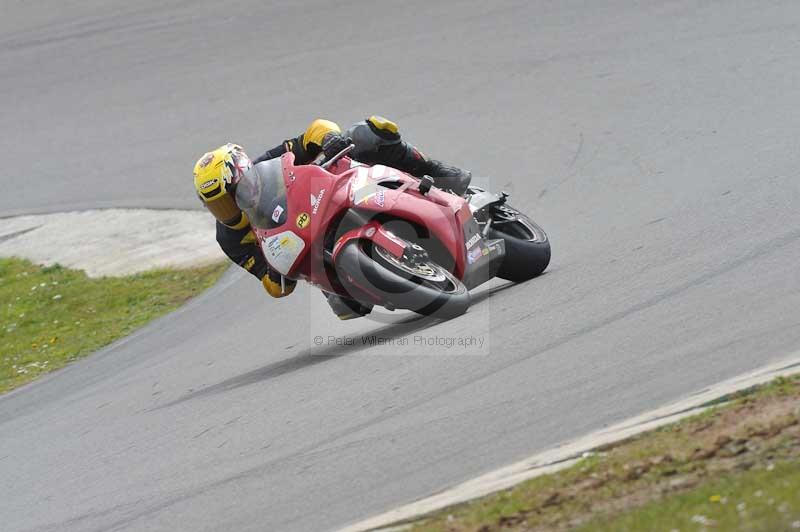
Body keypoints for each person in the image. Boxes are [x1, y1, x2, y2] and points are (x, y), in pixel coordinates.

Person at [192, 116, 471, 319]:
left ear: (245, 174)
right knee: (348, 308)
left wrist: (328, 139)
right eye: (218, 205)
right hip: (311, 251)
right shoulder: (229, 238)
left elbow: (313, 131)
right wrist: (276, 274)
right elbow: (270, 284)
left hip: (328, 195)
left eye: (230, 196)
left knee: (368, 133)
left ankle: (435, 172)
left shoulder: (266, 166)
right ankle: (388, 276)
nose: (229, 208)